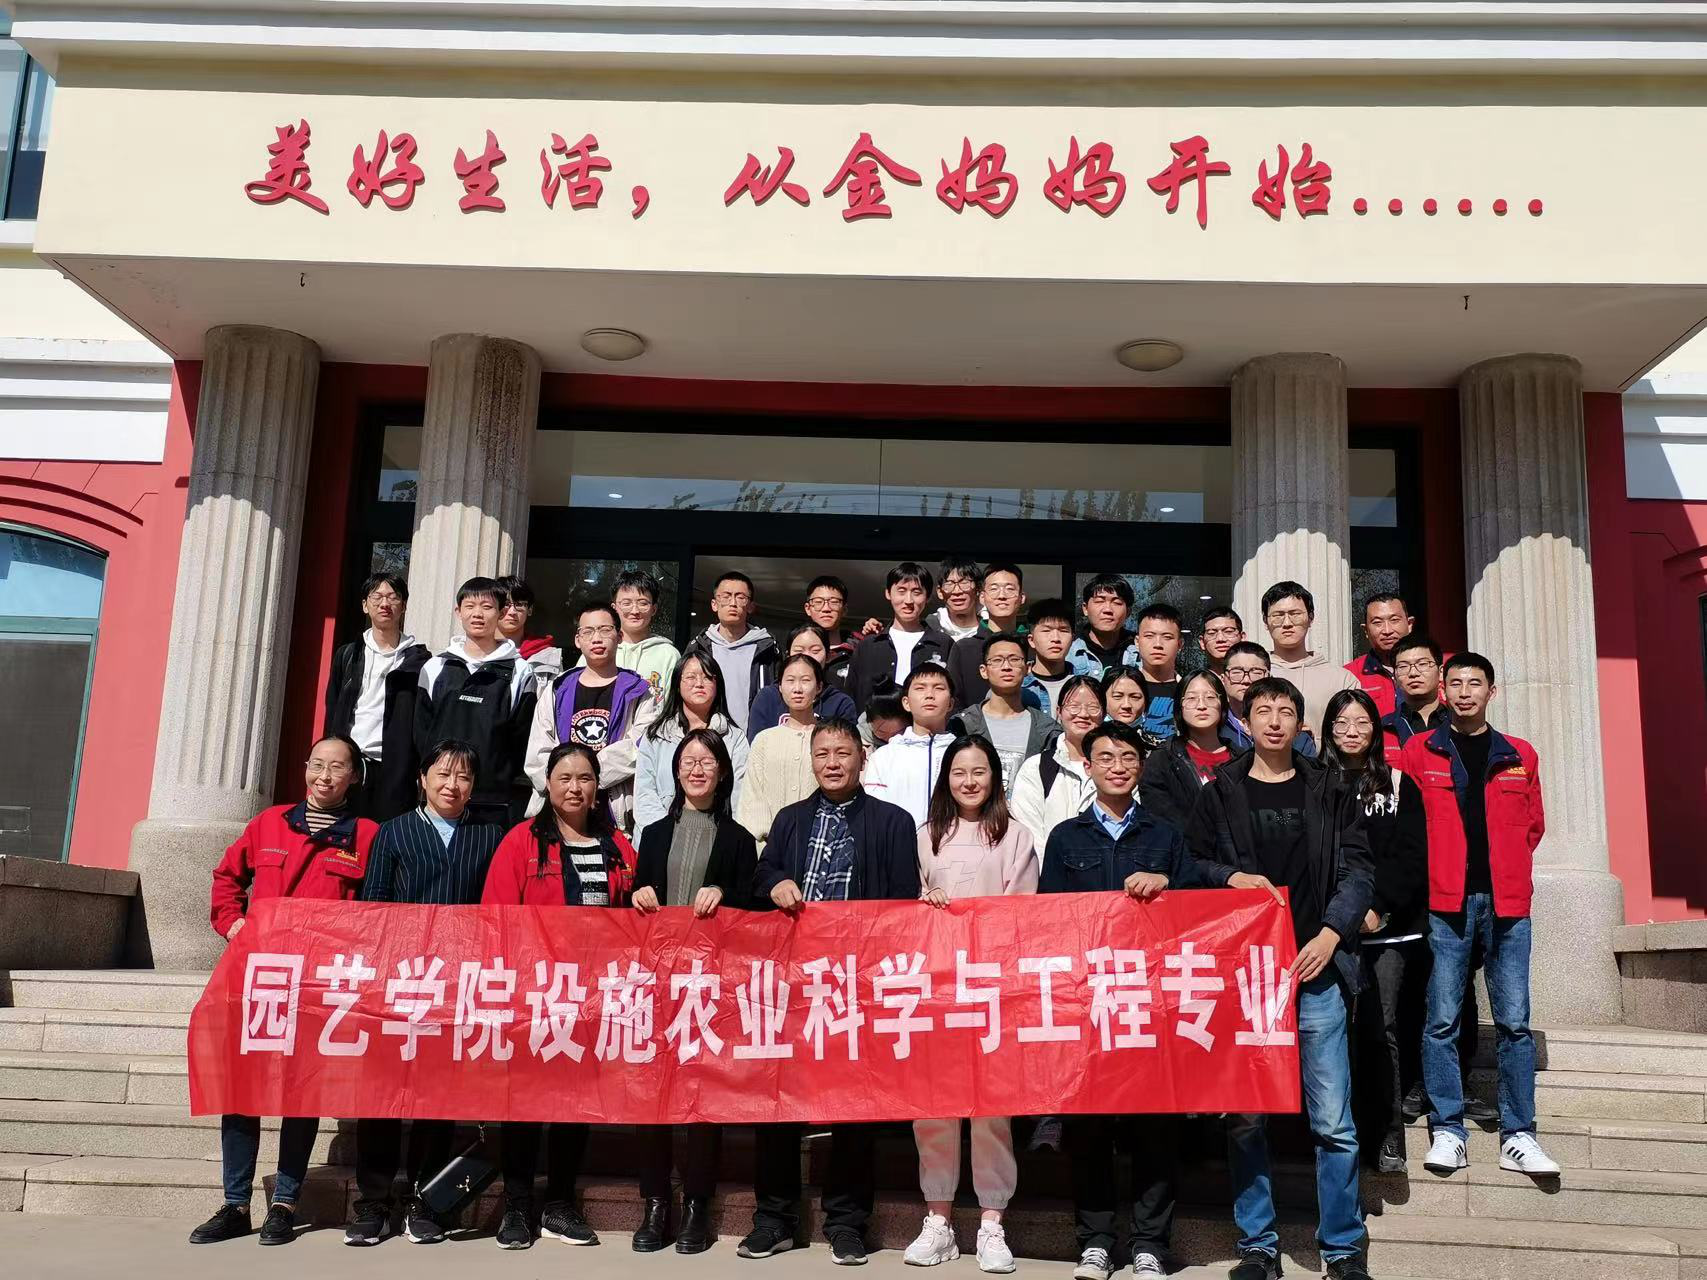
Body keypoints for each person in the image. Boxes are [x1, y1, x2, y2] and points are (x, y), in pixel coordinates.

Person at [1184, 677, 1374, 1280]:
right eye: (1262, 710)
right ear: (1245, 720)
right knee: (1246, 1116)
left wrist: (1331, 934)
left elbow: (1359, 871)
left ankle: (1342, 1248)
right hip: (1248, 975)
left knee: (1334, 1122)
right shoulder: (1221, 790)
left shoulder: (1331, 786)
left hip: (1314, 968)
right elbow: (1189, 862)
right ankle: (1258, 1246)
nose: (1273, 721)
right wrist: (1227, 877)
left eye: (1285, 711)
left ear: (1299, 723)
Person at [1039, 721, 1226, 1280]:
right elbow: (1049, 918)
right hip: (1089, 1002)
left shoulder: (1165, 835)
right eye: (1105, 757)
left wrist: (1167, 885)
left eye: (1126, 757)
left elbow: (1196, 910)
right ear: (1088, 766)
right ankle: (1095, 1241)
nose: (1117, 766)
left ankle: (1150, 1244)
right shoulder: (1066, 839)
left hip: (1152, 1003)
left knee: (1154, 1127)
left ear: (1140, 767)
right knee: (1090, 1128)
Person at [744, 718, 921, 1265]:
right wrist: (775, 882)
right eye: (822, 754)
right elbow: (762, 873)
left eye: (843, 753)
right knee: (778, 1104)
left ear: (861, 757)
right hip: (795, 985)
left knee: (852, 1109)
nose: (832, 763)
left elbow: (902, 902)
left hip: (857, 986)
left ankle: (847, 1223)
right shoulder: (790, 820)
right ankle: (773, 1219)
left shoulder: (893, 822)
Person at [194, 734, 377, 1247]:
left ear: (354, 777)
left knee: (302, 1090)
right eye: (317, 764)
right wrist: (232, 924)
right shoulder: (269, 823)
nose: (324, 776)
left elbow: (376, 907)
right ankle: (234, 1204)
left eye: (337, 767)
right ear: (305, 768)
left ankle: (284, 1204)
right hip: (261, 978)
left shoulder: (366, 835)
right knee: (242, 1088)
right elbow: (227, 879)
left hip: (319, 985)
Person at [347, 740, 509, 1247]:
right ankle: (373, 1203)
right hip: (400, 984)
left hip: (457, 986)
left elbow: (497, 910)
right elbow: (373, 908)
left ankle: (426, 1202)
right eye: (442, 774)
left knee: (437, 1096)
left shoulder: (489, 837)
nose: (451, 785)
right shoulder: (394, 832)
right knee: (382, 1096)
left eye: (463, 777)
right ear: (422, 778)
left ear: (473, 786)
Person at [1404, 654, 1559, 1178]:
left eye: (1476, 683)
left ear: (1492, 691)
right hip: (1446, 903)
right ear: (1443, 692)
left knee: (1514, 1022)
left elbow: (1532, 826)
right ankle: (1448, 1129)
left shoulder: (1520, 753)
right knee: (1442, 1018)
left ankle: (1519, 1134)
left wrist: (1507, 869)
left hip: (1507, 904)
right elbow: (1410, 826)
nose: (1465, 691)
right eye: (1456, 683)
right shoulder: (1420, 751)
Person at [481, 742, 637, 1251]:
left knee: (575, 1104)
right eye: (565, 778)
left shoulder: (617, 844)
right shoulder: (521, 842)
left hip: (591, 998)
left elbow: (633, 914)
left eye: (585, 778)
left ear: (597, 787)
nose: (575, 787)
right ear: (547, 785)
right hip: (533, 994)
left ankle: (560, 1204)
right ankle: (517, 1206)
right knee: (524, 1104)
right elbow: (496, 917)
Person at [905, 735, 1037, 1274]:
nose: (969, 781)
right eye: (959, 772)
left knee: (990, 1110)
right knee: (933, 1107)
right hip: (935, 991)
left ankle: (991, 1222)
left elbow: (1023, 915)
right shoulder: (925, 836)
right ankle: (937, 1219)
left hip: (991, 990)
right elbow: (904, 911)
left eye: (979, 771)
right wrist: (925, 904)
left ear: (994, 778)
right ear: (946, 779)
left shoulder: (1016, 836)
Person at [632, 729, 757, 1254]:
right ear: (676, 770)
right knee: (652, 1096)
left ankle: (697, 1206)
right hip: (657, 981)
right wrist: (638, 895)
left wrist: (725, 894)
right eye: (688, 761)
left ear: (723, 772)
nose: (697, 769)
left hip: (711, 986)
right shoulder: (653, 834)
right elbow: (635, 901)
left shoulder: (739, 839)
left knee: (703, 1097)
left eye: (707, 761)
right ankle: (655, 1202)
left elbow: (752, 908)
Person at [1321, 689, 1427, 1175]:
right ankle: (1332, 1138)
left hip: (1385, 932)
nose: (1352, 731)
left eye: (1362, 722)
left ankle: (1388, 1138)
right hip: (1328, 932)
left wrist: (1376, 908)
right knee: (1329, 1033)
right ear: (1329, 729)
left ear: (1376, 730)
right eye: (1342, 722)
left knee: (1379, 1030)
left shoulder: (1399, 784)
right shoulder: (1313, 782)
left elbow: (1410, 857)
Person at [524, 601, 659, 831]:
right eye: (588, 631)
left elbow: (640, 747)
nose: (596, 638)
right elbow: (537, 754)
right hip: (558, 815)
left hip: (615, 813)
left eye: (605, 630)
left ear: (619, 637)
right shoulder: (557, 689)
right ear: (578, 640)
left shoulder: (639, 691)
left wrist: (586, 779)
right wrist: (571, 784)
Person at [415, 577, 537, 824]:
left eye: (487, 607)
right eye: (470, 606)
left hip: (493, 800)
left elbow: (521, 737)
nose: (478, 614)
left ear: (501, 613)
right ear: (458, 612)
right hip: (439, 797)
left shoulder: (521, 671)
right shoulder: (435, 667)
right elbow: (421, 732)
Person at [323, 573, 431, 821]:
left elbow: (424, 720)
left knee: (388, 833)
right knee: (345, 831)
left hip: (396, 767)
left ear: (403, 606)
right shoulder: (348, 655)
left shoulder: (420, 661)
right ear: (365, 605)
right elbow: (333, 707)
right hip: (350, 763)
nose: (385, 604)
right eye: (377, 597)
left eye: (393, 597)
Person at [634, 647, 750, 830]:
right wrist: (667, 835)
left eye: (708, 677)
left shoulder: (734, 737)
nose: (699, 684)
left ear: (718, 685)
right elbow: (645, 796)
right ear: (677, 684)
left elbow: (739, 798)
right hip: (658, 837)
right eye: (690, 677)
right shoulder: (656, 735)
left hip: (715, 835)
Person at [738, 653, 828, 848]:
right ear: (780, 687)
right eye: (790, 680)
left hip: (819, 846)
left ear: (819, 687)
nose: (797, 689)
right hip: (769, 849)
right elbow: (752, 796)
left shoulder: (829, 739)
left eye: (806, 681)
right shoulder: (764, 740)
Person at [1010, 675, 1104, 855]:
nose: (1083, 714)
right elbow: (1029, 834)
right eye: (1073, 706)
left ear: (1104, 714)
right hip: (1049, 869)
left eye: (1092, 707)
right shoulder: (1036, 768)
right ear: (1059, 712)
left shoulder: (1115, 769)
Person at [950, 634, 1054, 795]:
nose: (1006, 667)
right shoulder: (961, 725)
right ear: (984, 671)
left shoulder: (1047, 729)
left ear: (1027, 668)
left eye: (1014, 660)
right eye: (997, 660)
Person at [1137, 670, 1240, 829]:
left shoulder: (1244, 759)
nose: (1201, 706)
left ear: (1222, 704)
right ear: (1180, 707)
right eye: (1191, 698)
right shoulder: (1162, 761)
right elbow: (1161, 821)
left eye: (1210, 697)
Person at [845, 562, 953, 711]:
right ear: (888, 593)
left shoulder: (943, 644)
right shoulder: (868, 646)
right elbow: (852, 694)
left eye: (916, 592)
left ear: (927, 597)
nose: (908, 600)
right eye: (901, 591)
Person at [861, 664, 958, 826]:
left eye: (939, 688)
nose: (929, 695)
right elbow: (875, 814)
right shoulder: (884, 757)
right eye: (920, 688)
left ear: (950, 703)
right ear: (906, 702)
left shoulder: (963, 753)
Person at [1260, 581, 1358, 738]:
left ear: (1310, 617)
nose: (1287, 623)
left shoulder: (1341, 679)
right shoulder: (1253, 674)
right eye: (1278, 616)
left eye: (1295, 614)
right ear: (1265, 621)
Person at [746, 622, 858, 741]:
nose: (806, 657)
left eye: (815, 651)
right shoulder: (767, 698)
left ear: (829, 656)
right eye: (799, 651)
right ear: (788, 655)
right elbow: (756, 744)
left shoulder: (841, 703)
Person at [701, 570, 778, 735]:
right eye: (726, 596)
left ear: (750, 606)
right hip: (708, 739)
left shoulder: (767, 649)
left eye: (741, 597)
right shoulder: (700, 647)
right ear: (714, 604)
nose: (733, 603)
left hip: (755, 738)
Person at [947, 562, 1029, 707]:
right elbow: (953, 700)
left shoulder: (1032, 645)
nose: (1002, 596)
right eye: (994, 589)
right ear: (982, 597)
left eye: (1010, 589)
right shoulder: (964, 648)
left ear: (1022, 597)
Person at [1222, 641, 1317, 759]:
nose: (1246, 680)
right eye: (1236, 672)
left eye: (1256, 672)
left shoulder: (1293, 734)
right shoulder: (1213, 729)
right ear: (1223, 679)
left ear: (1268, 676)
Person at [604, 568, 682, 704]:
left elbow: (675, 707)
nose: (635, 611)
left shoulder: (669, 655)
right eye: (626, 603)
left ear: (654, 609)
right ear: (614, 608)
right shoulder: (600, 650)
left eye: (643, 603)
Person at [1345, 593, 1415, 719]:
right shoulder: (1349, 676)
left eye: (1394, 620)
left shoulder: (1433, 669)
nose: (1387, 631)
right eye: (1377, 623)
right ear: (1366, 630)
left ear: (1409, 624)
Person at [1382, 634, 1449, 761]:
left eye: (1422, 664)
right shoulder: (1385, 728)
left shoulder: (1458, 723)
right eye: (1403, 666)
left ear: (1441, 672)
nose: (1413, 673)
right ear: (1395, 678)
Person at [496, 574, 564, 690]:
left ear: (530, 610)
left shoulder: (547, 656)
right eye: (506, 604)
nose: (512, 612)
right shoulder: (479, 651)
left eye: (519, 604)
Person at [1066, 574, 1137, 678]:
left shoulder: (1140, 653)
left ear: (1128, 612)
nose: (1107, 609)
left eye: (1117, 602)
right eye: (1099, 601)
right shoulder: (1067, 652)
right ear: (1085, 609)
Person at [801, 575, 864, 690]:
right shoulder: (796, 649)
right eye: (818, 602)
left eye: (834, 602)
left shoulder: (858, 650)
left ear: (844, 609)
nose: (826, 608)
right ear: (808, 608)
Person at [1131, 604, 1184, 739]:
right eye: (1149, 636)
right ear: (1137, 642)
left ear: (1180, 644)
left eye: (1167, 637)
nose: (1158, 644)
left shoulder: (1189, 691)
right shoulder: (1120, 690)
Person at [1021, 598, 1077, 716]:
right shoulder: (1018, 686)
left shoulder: (1083, 685)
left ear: (1072, 639)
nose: (1055, 638)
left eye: (1063, 630)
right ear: (1031, 640)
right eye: (1046, 630)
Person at [931, 557, 985, 641]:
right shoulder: (930, 627)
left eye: (964, 583)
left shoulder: (990, 628)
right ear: (940, 592)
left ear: (978, 589)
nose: (957, 591)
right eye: (949, 584)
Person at [1199, 605, 1245, 677]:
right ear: (1202, 642)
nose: (1220, 639)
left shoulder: (1256, 679)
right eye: (1212, 633)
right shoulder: (1194, 682)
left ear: (1242, 637)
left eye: (1228, 631)